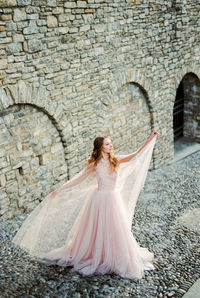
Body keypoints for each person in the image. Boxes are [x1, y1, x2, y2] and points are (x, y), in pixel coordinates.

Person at [13, 131, 158, 280]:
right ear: (101, 147)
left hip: (113, 199)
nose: (111, 145)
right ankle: (97, 254)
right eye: (107, 144)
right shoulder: (95, 164)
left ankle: (115, 255)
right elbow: (78, 179)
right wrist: (59, 190)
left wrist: (150, 140)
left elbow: (135, 155)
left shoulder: (116, 160)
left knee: (115, 228)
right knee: (97, 229)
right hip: (99, 200)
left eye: (110, 143)